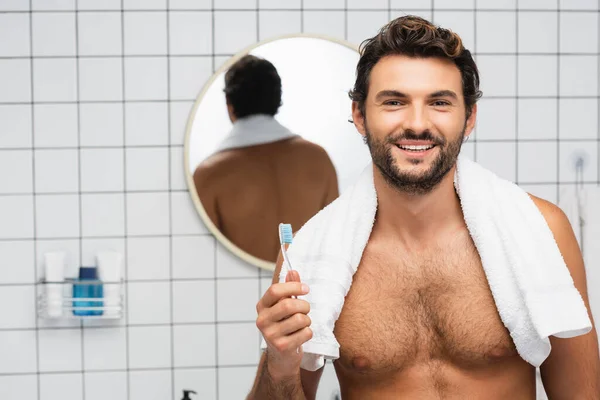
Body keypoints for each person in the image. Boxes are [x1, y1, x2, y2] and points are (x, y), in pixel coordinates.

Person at [247, 15, 600, 399]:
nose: (417, 123)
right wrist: (279, 368)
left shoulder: (540, 230)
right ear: (360, 116)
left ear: (469, 118)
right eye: (395, 101)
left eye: (439, 102)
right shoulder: (308, 256)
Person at [193, 55, 339, 263]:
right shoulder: (318, 158)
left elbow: (204, 256)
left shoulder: (209, 174)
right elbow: (334, 240)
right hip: (306, 288)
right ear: (277, 98)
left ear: (229, 104)